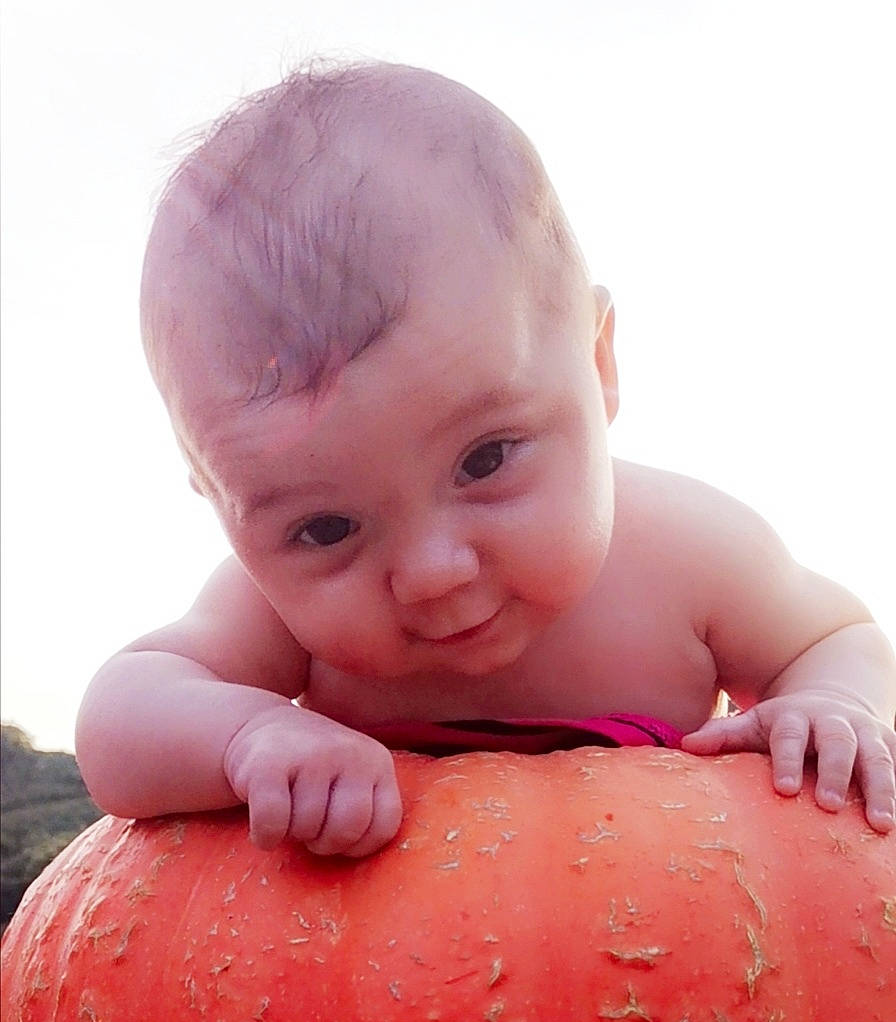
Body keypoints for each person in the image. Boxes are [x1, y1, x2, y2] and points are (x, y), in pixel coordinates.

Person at [76, 60, 896, 857]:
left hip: (679, 963)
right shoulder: (272, 616)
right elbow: (119, 719)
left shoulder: (691, 555)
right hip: (377, 986)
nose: (433, 572)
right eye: (327, 528)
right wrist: (250, 735)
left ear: (598, 364)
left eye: (485, 459)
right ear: (220, 500)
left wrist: (830, 698)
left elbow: (835, 634)